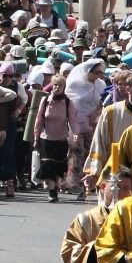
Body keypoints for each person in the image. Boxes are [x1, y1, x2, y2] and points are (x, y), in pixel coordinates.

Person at [83, 72, 132, 188]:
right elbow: (99, 142)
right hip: (114, 173)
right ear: (128, 89)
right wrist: (94, 172)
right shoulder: (111, 112)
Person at [33, 74, 76, 203]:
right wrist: (36, 137)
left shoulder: (68, 102)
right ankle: (52, 192)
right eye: (55, 85)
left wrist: (75, 134)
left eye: (60, 85)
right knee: (48, 164)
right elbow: (39, 119)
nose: (57, 87)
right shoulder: (45, 100)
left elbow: (73, 120)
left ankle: (55, 188)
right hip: (46, 138)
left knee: (58, 166)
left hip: (61, 138)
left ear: (64, 87)